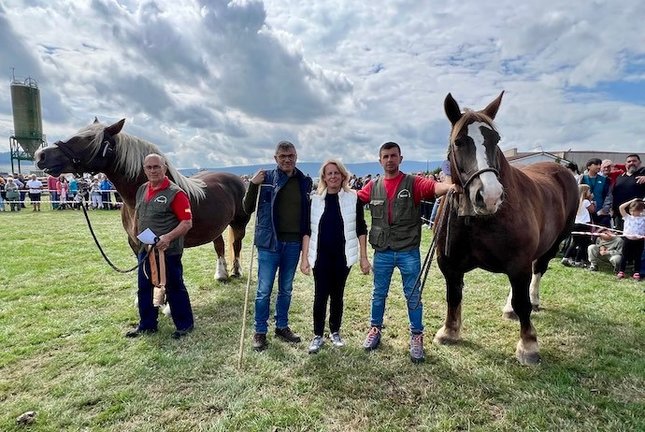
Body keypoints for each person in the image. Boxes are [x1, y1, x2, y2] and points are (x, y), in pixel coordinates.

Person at [357, 142, 455, 363]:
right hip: (382, 251)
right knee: (378, 294)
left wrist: (449, 187)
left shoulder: (413, 183)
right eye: (385, 156)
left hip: (408, 251)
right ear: (380, 160)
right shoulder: (372, 186)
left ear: (401, 158)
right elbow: (352, 198)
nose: (389, 160)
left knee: (413, 296)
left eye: (393, 156)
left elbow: (434, 188)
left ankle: (416, 336)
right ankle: (375, 330)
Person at [243, 140, 312, 351]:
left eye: (290, 155)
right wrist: (253, 185)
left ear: (296, 157)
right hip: (269, 244)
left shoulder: (304, 181)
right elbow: (247, 208)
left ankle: (282, 326)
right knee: (264, 290)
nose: (287, 160)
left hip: (293, 244)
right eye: (282, 156)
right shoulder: (266, 179)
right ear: (275, 159)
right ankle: (260, 331)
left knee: (286, 289)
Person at [300, 159, 371, 354]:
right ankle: (317, 335)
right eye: (329, 173)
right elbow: (307, 230)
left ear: (343, 176)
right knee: (320, 295)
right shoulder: (314, 200)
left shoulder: (353, 198)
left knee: (338, 295)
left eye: (336, 173)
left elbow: (361, 228)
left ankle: (335, 332)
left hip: (343, 256)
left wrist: (364, 257)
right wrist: (304, 258)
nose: (333, 176)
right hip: (320, 256)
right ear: (323, 177)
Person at [126, 153, 195, 339]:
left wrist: (168, 237)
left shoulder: (176, 193)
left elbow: (187, 222)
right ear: (144, 170)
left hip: (167, 251)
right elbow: (138, 215)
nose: (153, 170)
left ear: (165, 168)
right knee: (144, 287)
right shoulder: (142, 189)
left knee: (174, 286)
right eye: (149, 167)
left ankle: (184, 324)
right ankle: (147, 324)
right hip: (145, 250)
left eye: (157, 167)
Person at [561, 184, 595, 267]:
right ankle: (578, 261)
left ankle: (565, 257)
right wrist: (591, 201)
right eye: (589, 191)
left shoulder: (575, 202)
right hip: (584, 224)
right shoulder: (586, 202)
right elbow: (592, 210)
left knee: (575, 242)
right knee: (582, 244)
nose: (590, 193)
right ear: (585, 192)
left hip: (575, 224)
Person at [611, 154, 645, 230]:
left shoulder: (643, 174)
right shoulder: (620, 177)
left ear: (639, 162)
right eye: (629, 161)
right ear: (625, 164)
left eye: (634, 161)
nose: (631, 163)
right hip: (619, 214)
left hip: (637, 215)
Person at [617, 198, 645, 280]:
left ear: (640, 210)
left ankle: (636, 272)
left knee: (638, 257)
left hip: (639, 240)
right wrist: (632, 201)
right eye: (631, 210)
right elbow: (621, 207)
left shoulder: (643, 219)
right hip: (628, 240)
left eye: (634, 211)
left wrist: (642, 203)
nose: (632, 212)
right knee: (624, 256)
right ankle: (621, 271)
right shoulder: (627, 217)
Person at [579, 158, 610, 226]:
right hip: (585, 212)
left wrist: (604, 209)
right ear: (588, 166)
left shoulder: (605, 180)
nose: (599, 166)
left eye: (600, 164)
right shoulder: (582, 178)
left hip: (600, 212)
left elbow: (608, 196)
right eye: (596, 164)